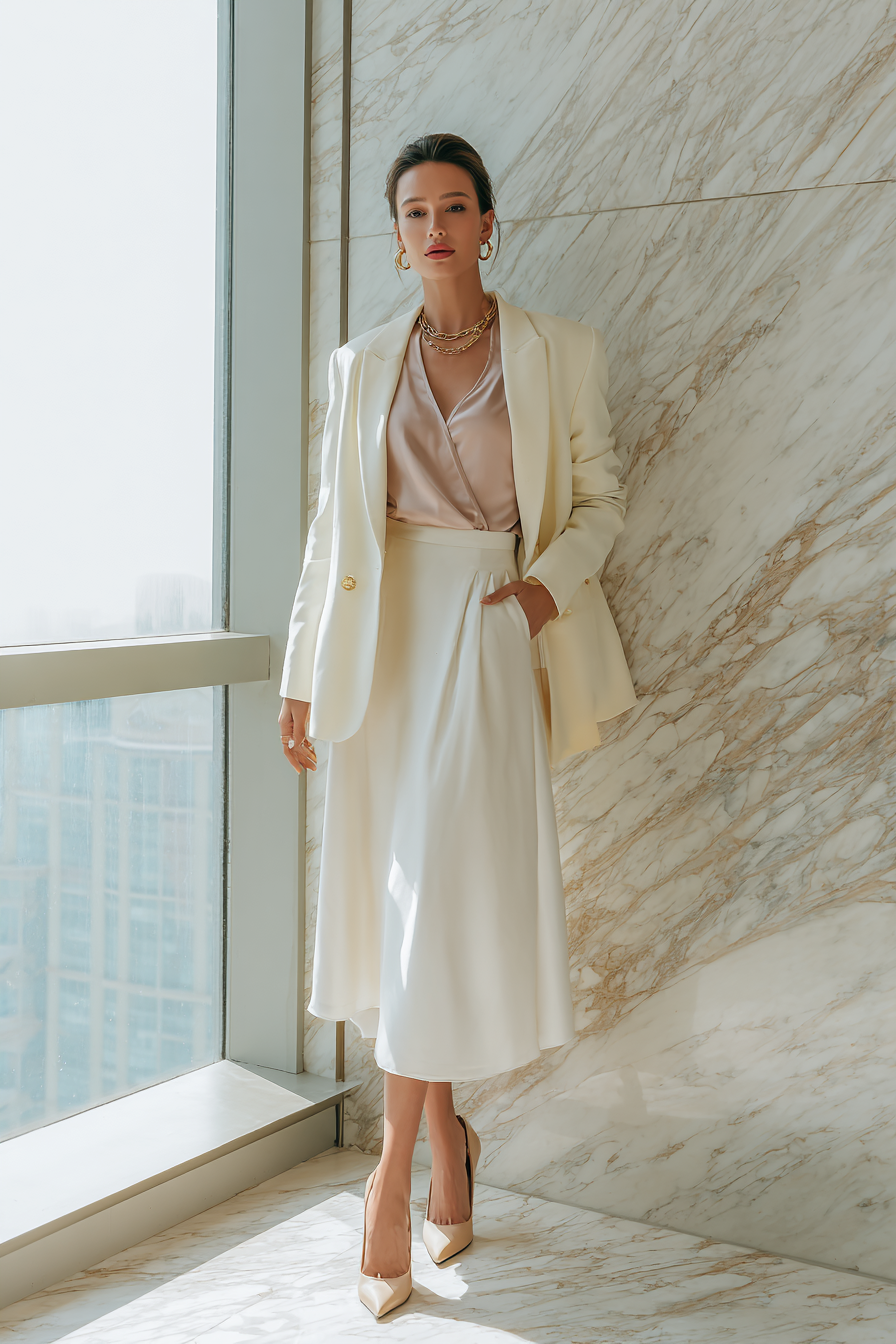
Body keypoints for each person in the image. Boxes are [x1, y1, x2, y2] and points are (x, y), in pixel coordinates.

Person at [278, 133, 636, 1318]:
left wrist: (542, 590)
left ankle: (387, 1181)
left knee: (427, 891)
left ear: (489, 224)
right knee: (398, 908)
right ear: (393, 236)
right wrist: (297, 677)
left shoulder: (555, 351)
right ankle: (449, 1146)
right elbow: (334, 533)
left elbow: (597, 497)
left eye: (455, 206)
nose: (433, 225)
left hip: (486, 628)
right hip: (381, 643)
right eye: (413, 210)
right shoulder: (359, 362)